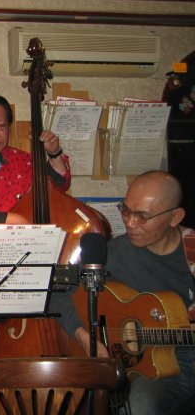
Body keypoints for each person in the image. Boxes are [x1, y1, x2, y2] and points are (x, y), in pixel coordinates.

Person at [51, 170, 195, 414]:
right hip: (142, 365)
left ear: (175, 217)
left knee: (137, 407)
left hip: (185, 360)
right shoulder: (114, 252)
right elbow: (58, 292)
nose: (129, 223)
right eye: (126, 210)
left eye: (142, 216)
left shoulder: (190, 251)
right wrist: (84, 337)